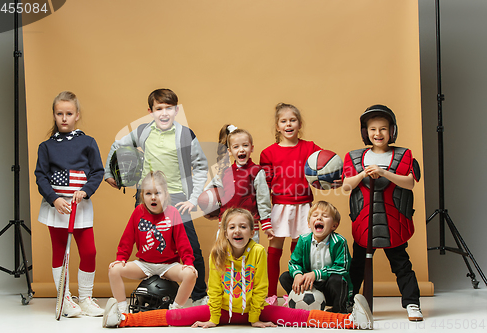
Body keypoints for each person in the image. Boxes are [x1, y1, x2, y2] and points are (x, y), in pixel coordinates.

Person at [102, 208, 373, 329]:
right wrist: (214, 318)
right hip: (221, 311)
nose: (237, 230)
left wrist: (255, 317)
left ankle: (350, 321)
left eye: (243, 226)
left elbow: (261, 288)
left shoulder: (257, 251)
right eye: (232, 227)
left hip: (255, 310)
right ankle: (123, 320)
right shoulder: (217, 252)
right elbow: (215, 288)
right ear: (225, 232)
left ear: (251, 232)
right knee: (176, 317)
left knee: (297, 316)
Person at [103, 88, 209, 305]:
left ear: (176, 110)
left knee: (192, 247)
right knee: (144, 244)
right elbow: (117, 146)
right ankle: (151, 293)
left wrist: (193, 198)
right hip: (147, 196)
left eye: (169, 108)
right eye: (159, 108)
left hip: (178, 198)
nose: (164, 113)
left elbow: (200, 167)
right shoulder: (143, 132)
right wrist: (109, 173)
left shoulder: (185, 135)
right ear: (150, 111)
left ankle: (199, 296)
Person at [342, 105, 423, 321]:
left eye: (383, 129)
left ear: (392, 131)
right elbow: (346, 186)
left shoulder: (403, 154)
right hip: (364, 224)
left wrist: (384, 172)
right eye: (373, 129)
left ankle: (412, 303)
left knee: (402, 265)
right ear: (365, 132)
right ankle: (348, 303)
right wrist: (363, 173)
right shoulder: (355, 157)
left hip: (393, 224)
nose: (378, 134)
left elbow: (410, 183)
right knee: (356, 267)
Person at [35, 91, 104, 317]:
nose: (64, 118)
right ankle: (64, 300)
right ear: (54, 115)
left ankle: (84, 298)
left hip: (79, 207)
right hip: (56, 208)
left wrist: (85, 191)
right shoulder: (46, 146)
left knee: (89, 251)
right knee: (60, 253)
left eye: (69, 113)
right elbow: (41, 176)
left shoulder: (88, 142)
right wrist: (54, 199)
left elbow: (97, 172)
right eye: (59, 113)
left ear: (77, 115)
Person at [259, 103, 324, 305]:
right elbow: (264, 187)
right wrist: (264, 215)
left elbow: (326, 166)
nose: (289, 124)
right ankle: (271, 293)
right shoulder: (268, 153)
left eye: (292, 120)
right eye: (283, 121)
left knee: (299, 250)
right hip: (280, 205)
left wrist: (335, 177)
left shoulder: (310, 148)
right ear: (277, 127)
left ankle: (294, 290)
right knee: (275, 246)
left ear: (300, 124)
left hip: (305, 205)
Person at [108, 171, 197, 313]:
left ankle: (175, 310)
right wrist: (121, 259)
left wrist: (188, 263)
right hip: (144, 265)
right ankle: (122, 308)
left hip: (168, 266)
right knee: (114, 270)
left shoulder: (173, 212)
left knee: (191, 274)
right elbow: (127, 238)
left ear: (166, 195)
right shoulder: (138, 211)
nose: (153, 197)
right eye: (148, 193)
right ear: (142, 196)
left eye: (158, 193)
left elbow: (182, 242)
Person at [205, 124, 274, 243]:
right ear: (230, 151)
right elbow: (209, 191)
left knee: (249, 257)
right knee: (223, 257)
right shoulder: (224, 172)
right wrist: (206, 206)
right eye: (236, 147)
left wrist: (266, 223)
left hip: (249, 225)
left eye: (245, 145)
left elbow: (263, 199)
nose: (241, 149)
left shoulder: (256, 171)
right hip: (226, 225)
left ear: (252, 148)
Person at [279, 201, 352, 314]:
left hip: (329, 285)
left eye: (325, 216)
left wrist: (317, 274)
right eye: (315, 215)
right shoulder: (303, 240)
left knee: (338, 280)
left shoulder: (339, 242)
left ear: (334, 225)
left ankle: (340, 310)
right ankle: (299, 301)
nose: (319, 218)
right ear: (309, 224)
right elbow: (293, 262)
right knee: (285, 277)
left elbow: (342, 268)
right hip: (310, 286)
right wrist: (298, 274)